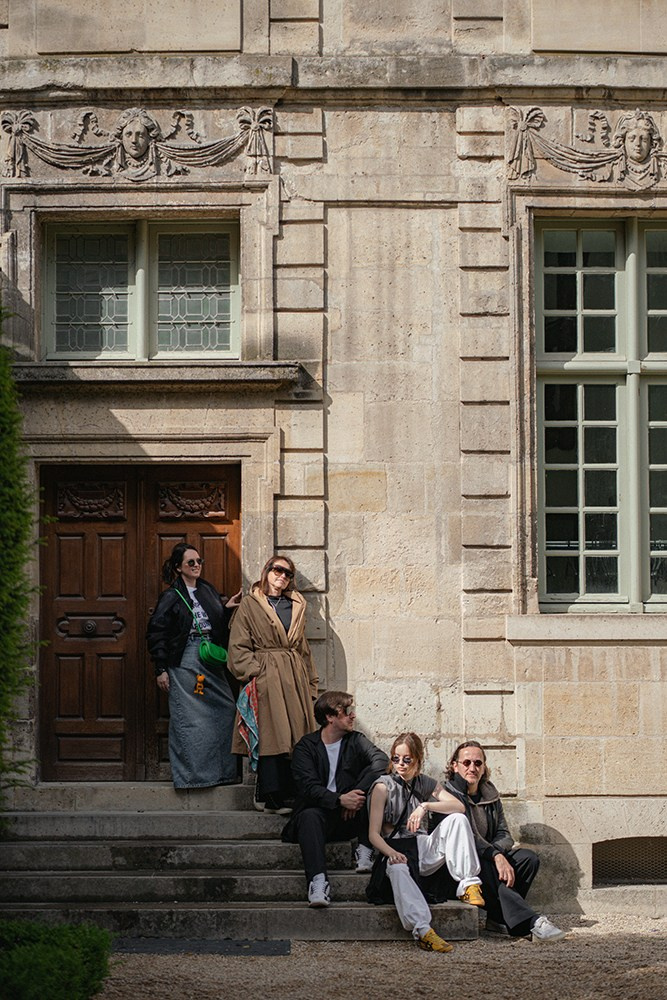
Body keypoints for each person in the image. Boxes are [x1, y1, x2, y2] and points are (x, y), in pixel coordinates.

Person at [367, 732, 484, 953]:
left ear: (418, 760)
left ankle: (468, 884)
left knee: (457, 820)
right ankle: (423, 931)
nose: (400, 764)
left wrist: (425, 806)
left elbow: (459, 807)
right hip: (395, 849)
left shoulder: (425, 783)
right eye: (395, 758)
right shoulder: (382, 787)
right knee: (398, 866)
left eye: (407, 759)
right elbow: (373, 834)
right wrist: (391, 852)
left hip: (420, 848)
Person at [444, 740, 566, 942]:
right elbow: (468, 838)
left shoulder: (490, 795)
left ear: (484, 768)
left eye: (478, 763)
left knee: (528, 858)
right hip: (457, 868)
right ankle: (529, 922)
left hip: (488, 857)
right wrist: (495, 856)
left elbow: (504, 834)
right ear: (455, 766)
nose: (472, 768)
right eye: (466, 763)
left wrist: (497, 854)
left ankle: (498, 918)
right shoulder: (447, 794)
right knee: (489, 867)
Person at [146, 541, 241, 789]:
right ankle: (193, 777)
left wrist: (227, 609)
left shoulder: (207, 590)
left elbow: (216, 620)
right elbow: (157, 631)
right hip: (186, 656)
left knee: (226, 708)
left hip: (209, 655)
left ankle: (223, 773)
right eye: (191, 562)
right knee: (190, 717)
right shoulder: (171, 596)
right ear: (179, 567)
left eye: (199, 561)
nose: (196, 565)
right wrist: (160, 669)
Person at [228, 555, 318, 814]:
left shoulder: (296, 605)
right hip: (267, 676)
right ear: (267, 570)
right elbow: (238, 646)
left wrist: (311, 683)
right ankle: (269, 795)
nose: (282, 576)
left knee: (296, 736)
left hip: (294, 676)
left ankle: (291, 793)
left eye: (288, 573)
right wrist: (257, 671)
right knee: (270, 735)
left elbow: (303, 648)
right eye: (278, 570)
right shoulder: (251, 604)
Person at [281, 690, 389, 907]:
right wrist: (339, 799)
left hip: (351, 816)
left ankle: (365, 848)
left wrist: (354, 795)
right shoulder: (306, 747)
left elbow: (381, 760)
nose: (352, 716)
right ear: (330, 717)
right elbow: (309, 788)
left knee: (376, 787)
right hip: (319, 816)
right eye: (346, 711)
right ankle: (318, 882)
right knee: (309, 816)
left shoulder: (356, 740)